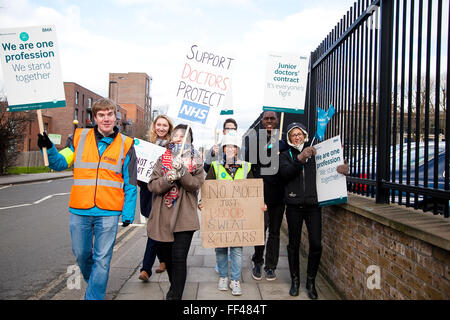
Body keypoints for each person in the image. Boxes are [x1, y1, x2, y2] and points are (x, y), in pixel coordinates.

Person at [37, 98, 137, 300]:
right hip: (80, 209)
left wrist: (128, 212)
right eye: (101, 115)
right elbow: (59, 164)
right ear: (95, 118)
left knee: (102, 260)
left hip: (108, 212)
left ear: (115, 117)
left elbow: (131, 182)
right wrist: (48, 148)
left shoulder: (126, 144)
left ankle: (93, 297)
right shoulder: (78, 138)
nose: (106, 118)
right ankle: (96, 284)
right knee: (82, 255)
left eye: (110, 114)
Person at [279, 122, 348, 299]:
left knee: (316, 244)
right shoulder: (285, 155)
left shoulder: (316, 152)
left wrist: (341, 170)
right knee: (293, 245)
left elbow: (328, 171)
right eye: (293, 134)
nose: (297, 137)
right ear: (289, 138)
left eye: (299, 134)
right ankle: (295, 281)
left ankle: (311, 281)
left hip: (313, 206)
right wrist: (300, 158)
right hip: (294, 205)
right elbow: (285, 174)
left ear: (304, 135)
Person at [147, 124, 204, 300]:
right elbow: (153, 186)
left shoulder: (197, 161)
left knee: (179, 258)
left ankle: (175, 296)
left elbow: (195, 184)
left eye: (183, 136)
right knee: (168, 258)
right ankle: (174, 287)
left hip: (184, 216)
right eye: (176, 136)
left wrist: (182, 172)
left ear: (189, 141)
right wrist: (169, 177)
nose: (178, 138)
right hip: (164, 215)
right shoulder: (162, 159)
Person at [204, 133, 254, 296]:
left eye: (233, 147)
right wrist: (202, 201)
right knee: (220, 248)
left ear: (237, 149)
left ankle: (235, 279)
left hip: (239, 215)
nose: (230, 149)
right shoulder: (215, 167)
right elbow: (208, 188)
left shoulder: (247, 167)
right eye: (227, 147)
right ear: (223, 149)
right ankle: (223, 277)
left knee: (237, 250)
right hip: (220, 214)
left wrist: (260, 205)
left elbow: (253, 191)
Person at [244, 111, 287, 281]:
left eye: (272, 118)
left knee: (275, 233)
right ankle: (257, 261)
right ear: (262, 121)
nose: (269, 121)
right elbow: (248, 168)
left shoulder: (284, 142)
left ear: (277, 121)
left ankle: (271, 266)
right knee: (260, 231)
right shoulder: (254, 142)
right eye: (266, 118)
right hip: (261, 195)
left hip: (278, 196)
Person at [138, 115, 174, 282]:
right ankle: (164, 260)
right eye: (158, 124)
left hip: (162, 190)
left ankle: (146, 269)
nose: (161, 128)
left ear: (169, 128)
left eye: (164, 125)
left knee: (154, 228)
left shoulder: (173, 147)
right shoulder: (145, 145)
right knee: (155, 227)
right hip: (147, 190)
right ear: (154, 126)